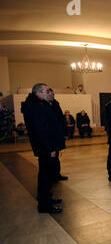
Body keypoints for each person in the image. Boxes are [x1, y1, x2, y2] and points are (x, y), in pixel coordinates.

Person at [21, 83, 65, 213]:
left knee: (47, 175)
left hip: (45, 146)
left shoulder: (39, 104)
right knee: (45, 177)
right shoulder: (36, 106)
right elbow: (42, 130)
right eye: (46, 91)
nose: (49, 93)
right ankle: (44, 205)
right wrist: (50, 148)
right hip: (45, 147)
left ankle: (47, 198)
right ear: (38, 93)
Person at [47, 88, 69, 182]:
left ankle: (57, 174)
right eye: (51, 95)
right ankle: (50, 176)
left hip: (57, 135)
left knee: (56, 157)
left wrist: (65, 133)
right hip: (49, 136)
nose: (52, 96)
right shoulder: (43, 105)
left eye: (53, 95)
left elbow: (61, 119)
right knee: (49, 158)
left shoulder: (55, 103)